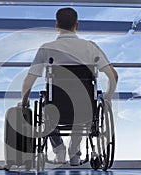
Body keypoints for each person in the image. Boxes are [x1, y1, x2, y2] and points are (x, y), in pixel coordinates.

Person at [21, 7, 118, 166]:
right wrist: (107, 98)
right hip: (86, 110)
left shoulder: (47, 48)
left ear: (57, 26)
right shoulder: (91, 47)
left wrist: (24, 101)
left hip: (56, 110)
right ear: (77, 25)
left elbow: (28, 81)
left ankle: (59, 150)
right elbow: (113, 76)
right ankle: (74, 153)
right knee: (82, 109)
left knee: (47, 108)